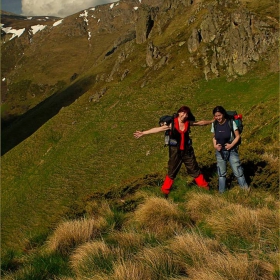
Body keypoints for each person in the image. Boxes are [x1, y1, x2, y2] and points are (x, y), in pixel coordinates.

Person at [134, 106, 213, 197]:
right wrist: (143, 133)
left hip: (187, 150)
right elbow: (157, 129)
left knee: (194, 168)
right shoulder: (171, 124)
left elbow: (200, 123)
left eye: (187, 113)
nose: (185, 115)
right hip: (175, 151)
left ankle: (205, 188)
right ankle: (165, 191)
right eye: (183, 113)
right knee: (172, 170)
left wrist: (211, 121)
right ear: (179, 113)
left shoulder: (188, 122)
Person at [211, 106, 249, 193]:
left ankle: (246, 192)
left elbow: (237, 136)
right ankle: (222, 194)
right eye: (216, 116)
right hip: (219, 151)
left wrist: (231, 145)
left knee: (238, 172)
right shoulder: (214, 124)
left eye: (219, 115)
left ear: (223, 114)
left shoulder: (231, 122)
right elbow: (214, 137)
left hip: (231, 151)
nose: (218, 118)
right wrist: (215, 146)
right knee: (221, 174)